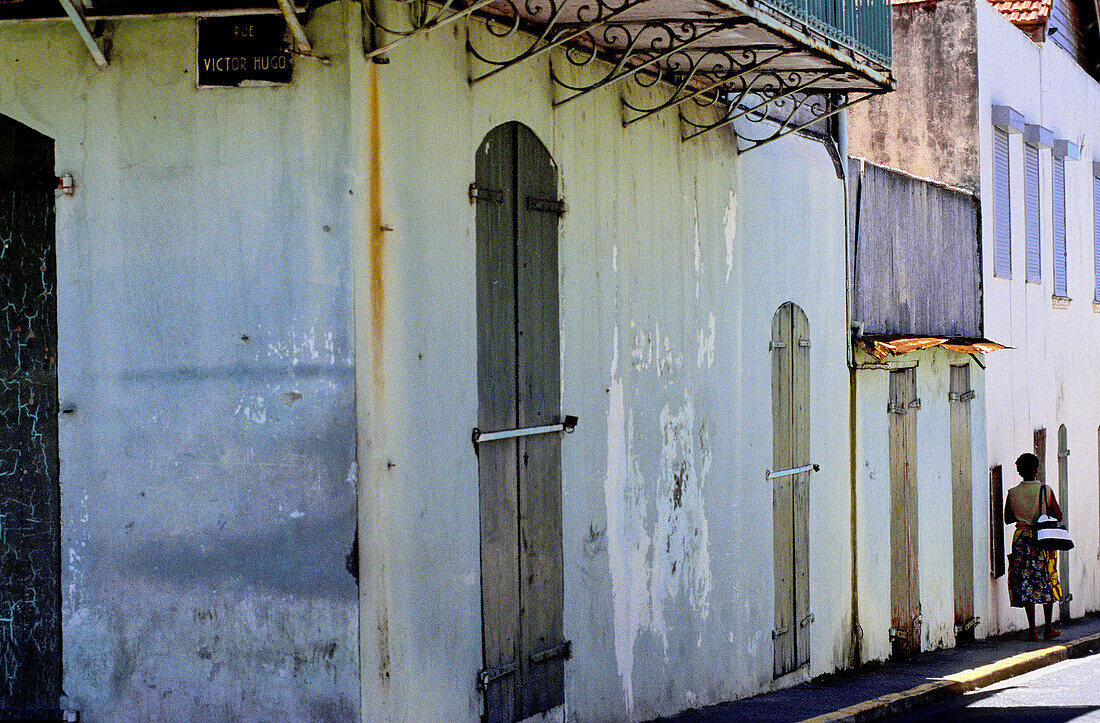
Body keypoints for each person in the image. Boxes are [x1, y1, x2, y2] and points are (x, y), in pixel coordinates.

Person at [1004, 452, 1063, 641]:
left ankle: (1032, 630)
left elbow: (1007, 518)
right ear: (1037, 470)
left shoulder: (1013, 493)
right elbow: (1058, 515)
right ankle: (1048, 627)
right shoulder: (1045, 491)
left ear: (1019, 471)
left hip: (1021, 539)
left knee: (1026, 582)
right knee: (1046, 579)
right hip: (1042, 540)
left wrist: (1023, 515)